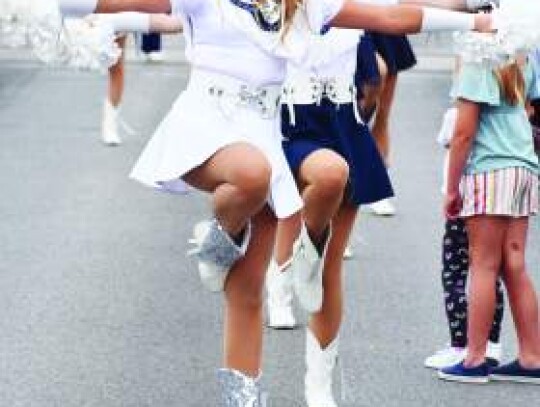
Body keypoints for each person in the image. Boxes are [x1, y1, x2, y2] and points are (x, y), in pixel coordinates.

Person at [56, 0, 494, 404]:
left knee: (246, 293)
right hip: (205, 128)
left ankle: (244, 396)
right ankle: (221, 234)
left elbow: (391, 18)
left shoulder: (300, 6)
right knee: (251, 174)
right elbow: (122, 2)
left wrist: (477, 21)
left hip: (265, 131)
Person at [268, 26, 394, 406]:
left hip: (342, 125)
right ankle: (279, 289)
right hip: (285, 123)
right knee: (296, 211)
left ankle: (319, 387)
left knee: (329, 265)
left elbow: (376, 73)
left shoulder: (344, 11)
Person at [439, 51, 540, 384]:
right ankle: (532, 357)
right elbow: (529, 108)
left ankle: (475, 358)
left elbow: (464, 133)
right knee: (515, 263)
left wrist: (452, 188)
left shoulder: (478, 60)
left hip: (488, 169)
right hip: (524, 167)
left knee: (482, 264)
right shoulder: (527, 57)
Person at [424, 105, 504, 370]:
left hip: (465, 199)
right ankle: (491, 342)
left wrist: (450, 190)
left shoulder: (456, 114)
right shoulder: (510, 111)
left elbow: (451, 140)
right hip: (496, 196)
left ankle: (460, 343)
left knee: (455, 274)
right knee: (491, 271)